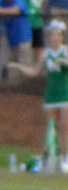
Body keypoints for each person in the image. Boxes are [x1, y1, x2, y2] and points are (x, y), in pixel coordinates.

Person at [6, 20, 68, 168]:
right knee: (52, 128)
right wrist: (17, 66)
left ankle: (66, 157)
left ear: (63, 37)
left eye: (58, 35)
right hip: (51, 93)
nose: (55, 38)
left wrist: (63, 61)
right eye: (52, 35)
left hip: (65, 92)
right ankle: (55, 156)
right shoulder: (45, 53)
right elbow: (35, 72)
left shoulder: (65, 51)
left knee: (65, 126)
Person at [0, 0, 30, 76]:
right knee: (13, 58)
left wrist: (2, 11)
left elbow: (16, 11)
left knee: (24, 61)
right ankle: (6, 71)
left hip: (23, 36)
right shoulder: (1, 0)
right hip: (12, 37)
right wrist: (1, 10)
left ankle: (26, 83)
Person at [21, 0, 48, 66]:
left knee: (39, 46)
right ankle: (28, 67)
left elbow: (42, 1)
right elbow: (20, 1)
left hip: (38, 21)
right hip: (27, 21)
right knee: (27, 46)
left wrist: (42, 8)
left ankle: (39, 66)